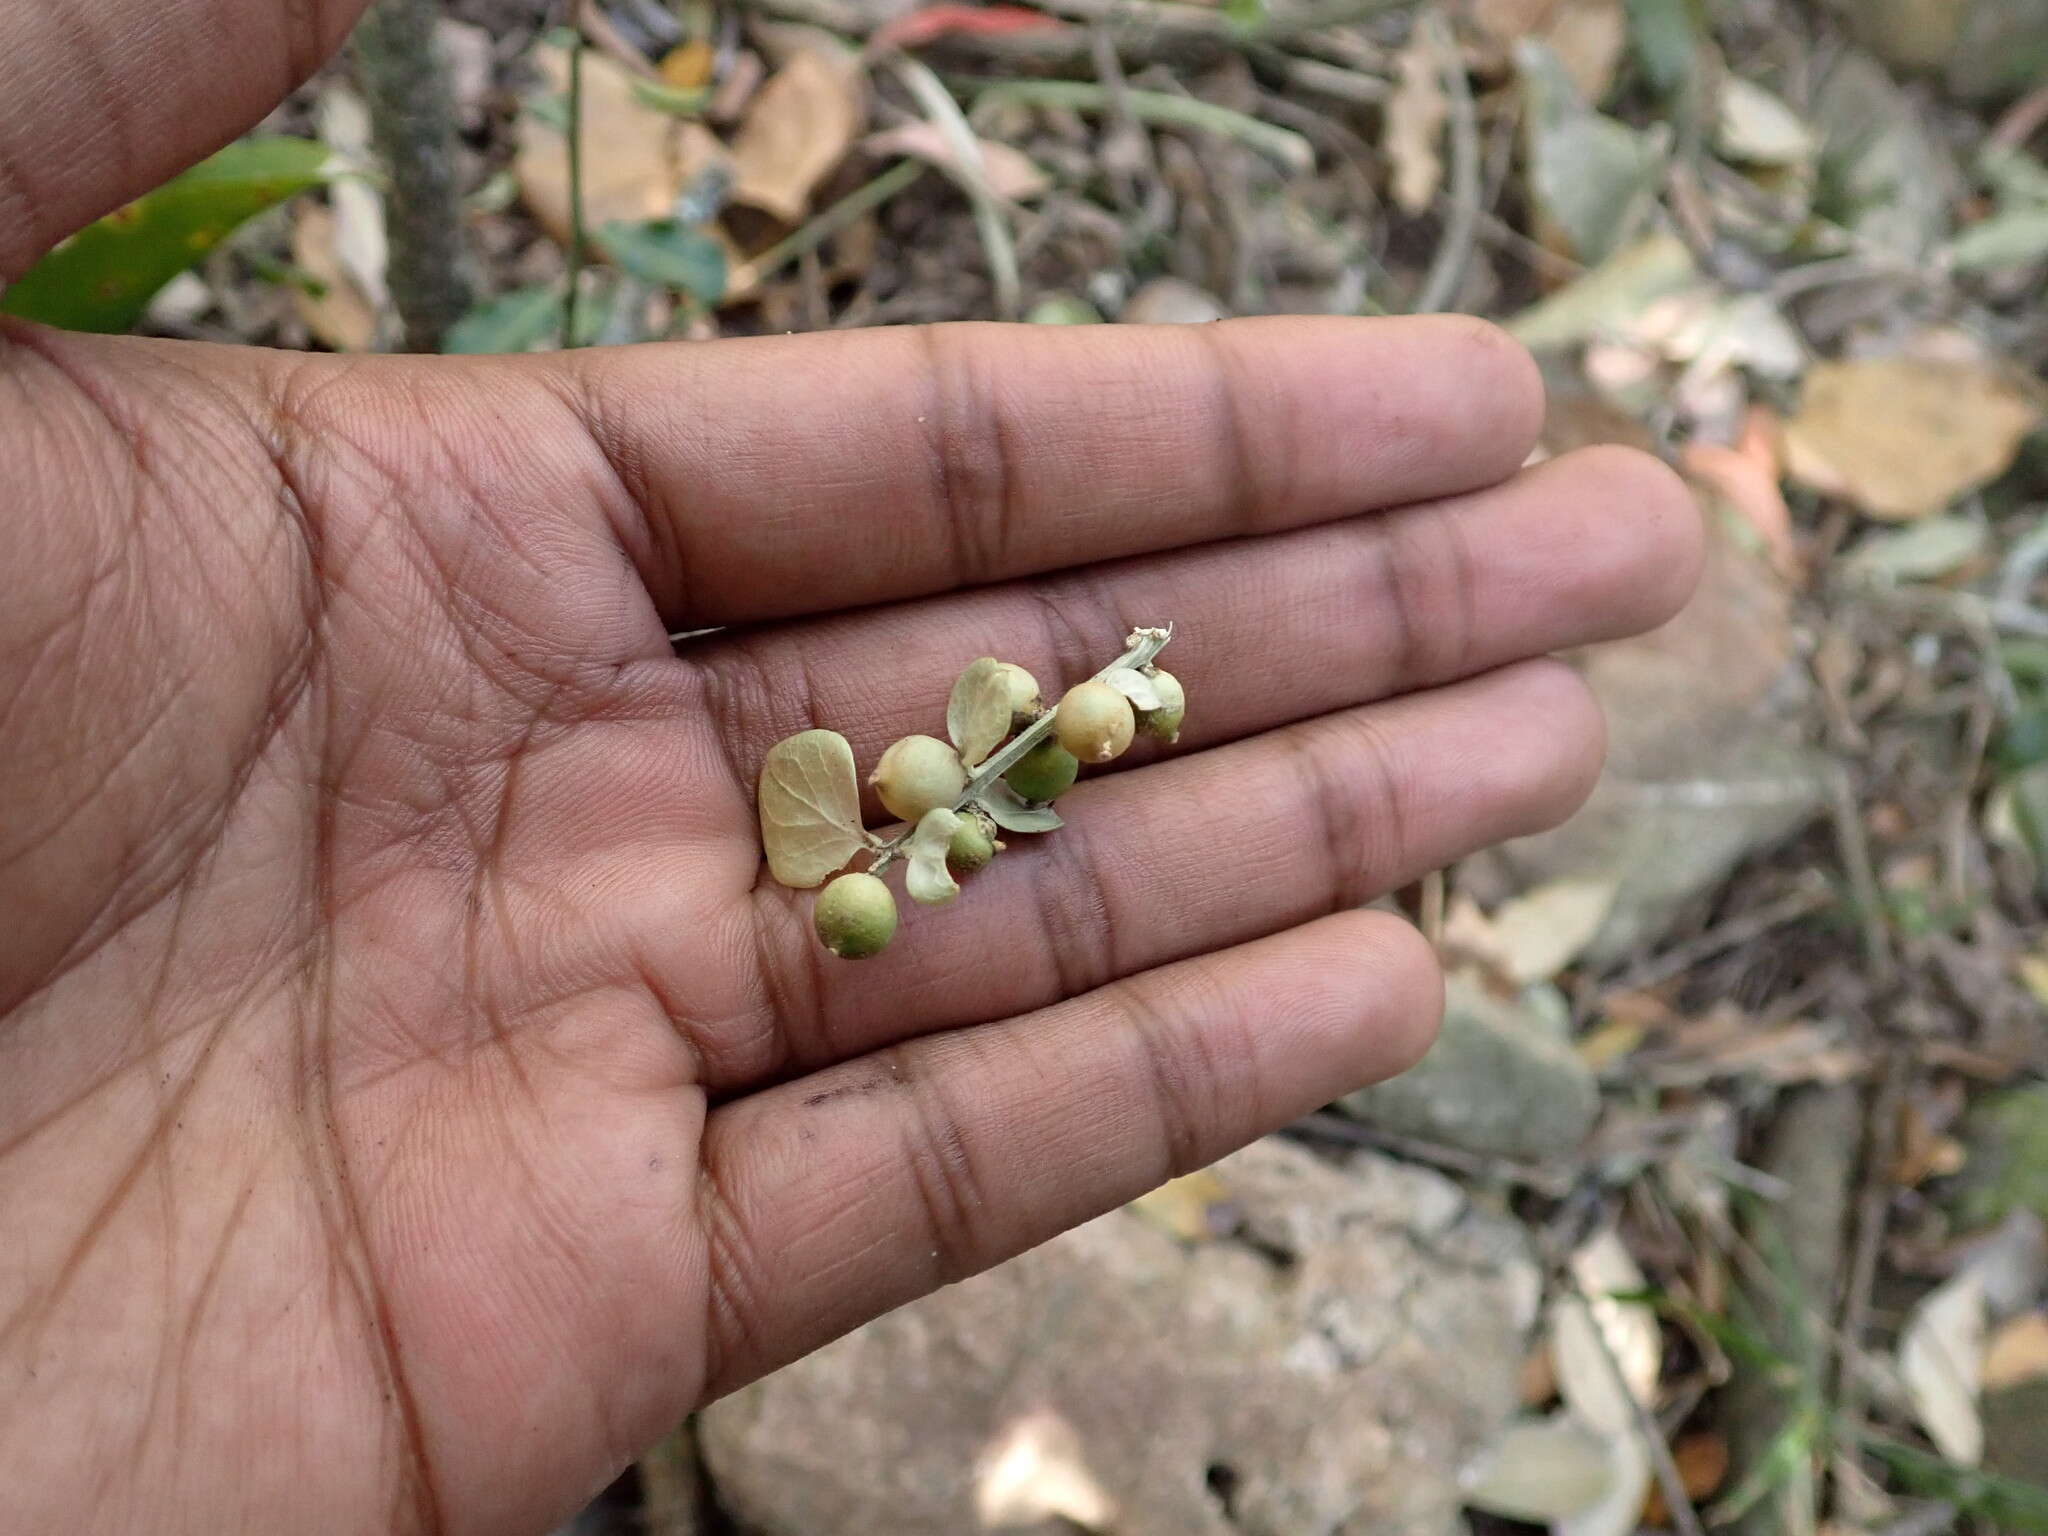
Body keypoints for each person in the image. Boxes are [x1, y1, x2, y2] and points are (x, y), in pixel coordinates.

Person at [0, 3, 1703, 1530]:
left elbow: (991, 777)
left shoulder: (949, 798)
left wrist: (1033, 754)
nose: (895, 848)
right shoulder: (904, 816)